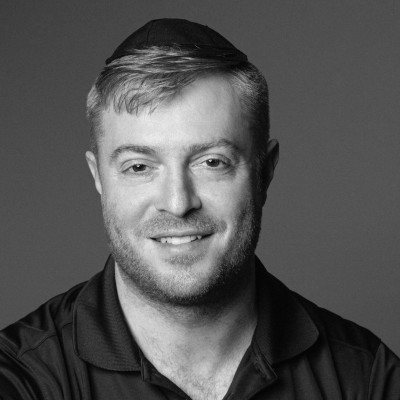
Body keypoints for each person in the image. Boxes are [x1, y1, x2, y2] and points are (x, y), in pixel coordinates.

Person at [0, 18, 399, 400]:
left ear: (264, 172)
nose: (178, 203)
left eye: (211, 162)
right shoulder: (21, 379)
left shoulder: (367, 380)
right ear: (99, 178)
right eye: (139, 167)